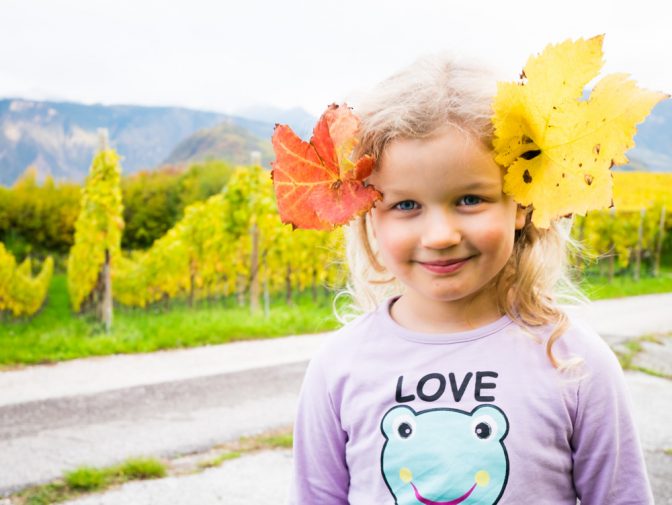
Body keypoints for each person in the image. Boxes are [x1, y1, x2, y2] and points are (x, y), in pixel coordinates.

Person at [286, 55, 653, 504]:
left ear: (520, 202)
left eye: (469, 199)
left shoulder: (575, 363)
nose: (440, 236)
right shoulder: (338, 368)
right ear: (369, 216)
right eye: (405, 205)